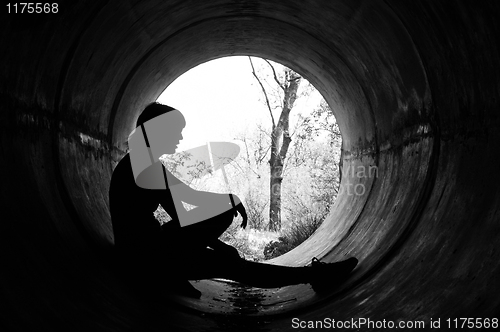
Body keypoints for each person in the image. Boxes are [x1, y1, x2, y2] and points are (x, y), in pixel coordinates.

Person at [109, 102, 358, 299]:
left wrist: (219, 239)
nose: (180, 138)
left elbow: (185, 206)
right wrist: (231, 203)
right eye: (176, 131)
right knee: (233, 263)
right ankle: (313, 276)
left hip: (144, 253)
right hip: (150, 259)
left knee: (226, 236)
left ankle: (312, 275)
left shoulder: (140, 161)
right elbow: (185, 208)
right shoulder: (145, 167)